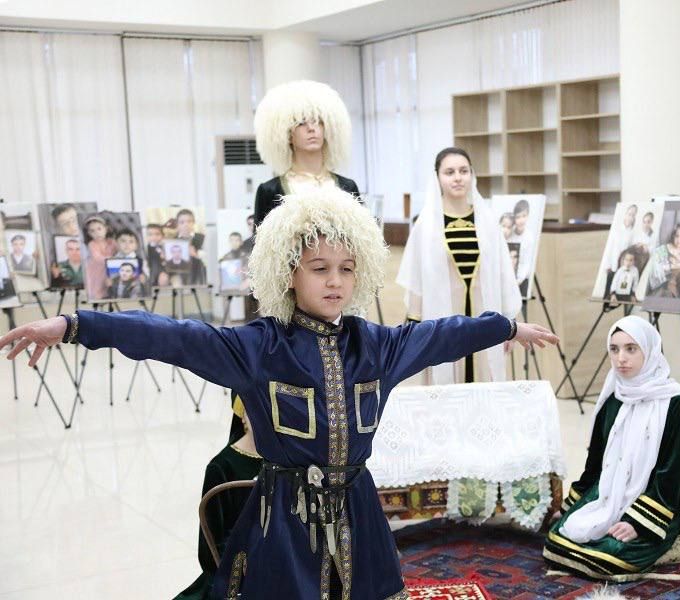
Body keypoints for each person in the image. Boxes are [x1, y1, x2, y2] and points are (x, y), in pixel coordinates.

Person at [1, 187, 558, 600]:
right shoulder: (259, 348)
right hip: (284, 519)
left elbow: (442, 334)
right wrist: (77, 326)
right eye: (319, 269)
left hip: (359, 509)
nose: (335, 281)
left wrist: (506, 327)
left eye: (346, 269)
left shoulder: (377, 345)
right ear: (290, 272)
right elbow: (170, 336)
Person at [544, 316, 680, 579]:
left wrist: (636, 524)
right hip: (610, 490)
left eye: (631, 349)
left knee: (613, 556)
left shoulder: (676, 402)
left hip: (657, 496)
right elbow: (596, 466)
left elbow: (671, 471)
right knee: (557, 540)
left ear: (650, 350)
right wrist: (570, 507)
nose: (621, 358)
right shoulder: (613, 397)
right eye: (614, 349)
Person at [397, 147, 522, 384]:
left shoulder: (486, 221)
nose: (457, 177)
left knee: (485, 385)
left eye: (464, 171)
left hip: (484, 314)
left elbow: (503, 274)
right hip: (441, 317)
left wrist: (508, 324)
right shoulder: (427, 223)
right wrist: (414, 328)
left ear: (472, 175)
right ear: (438, 178)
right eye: (450, 172)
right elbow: (416, 279)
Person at [175, 396, 263, 600]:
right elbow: (210, 546)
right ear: (242, 415)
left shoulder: (285, 462)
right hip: (238, 571)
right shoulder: (221, 467)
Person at [253, 80, 360, 228]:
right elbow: (261, 248)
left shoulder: (347, 186)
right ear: (288, 134)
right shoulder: (270, 191)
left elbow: (363, 241)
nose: (311, 128)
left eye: (317, 121)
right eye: (301, 123)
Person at [648, 224, 680, 294]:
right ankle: (673, 294)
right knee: (671, 283)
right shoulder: (669, 247)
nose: (679, 239)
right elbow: (657, 253)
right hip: (671, 271)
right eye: (677, 236)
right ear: (673, 236)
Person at [83, 215, 118, 300]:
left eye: (99, 229)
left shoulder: (112, 242)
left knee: (110, 282)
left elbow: (118, 252)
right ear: (89, 233)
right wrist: (111, 259)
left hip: (110, 268)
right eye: (92, 231)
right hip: (97, 269)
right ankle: (99, 296)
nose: (97, 233)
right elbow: (97, 258)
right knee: (98, 286)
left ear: (106, 229)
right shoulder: (92, 244)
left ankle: (110, 293)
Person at [507, 199, 536, 291]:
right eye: (518, 217)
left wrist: (518, 281)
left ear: (528, 216)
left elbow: (527, 263)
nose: (521, 220)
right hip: (509, 278)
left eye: (524, 216)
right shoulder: (509, 234)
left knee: (521, 304)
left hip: (522, 280)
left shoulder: (529, 237)